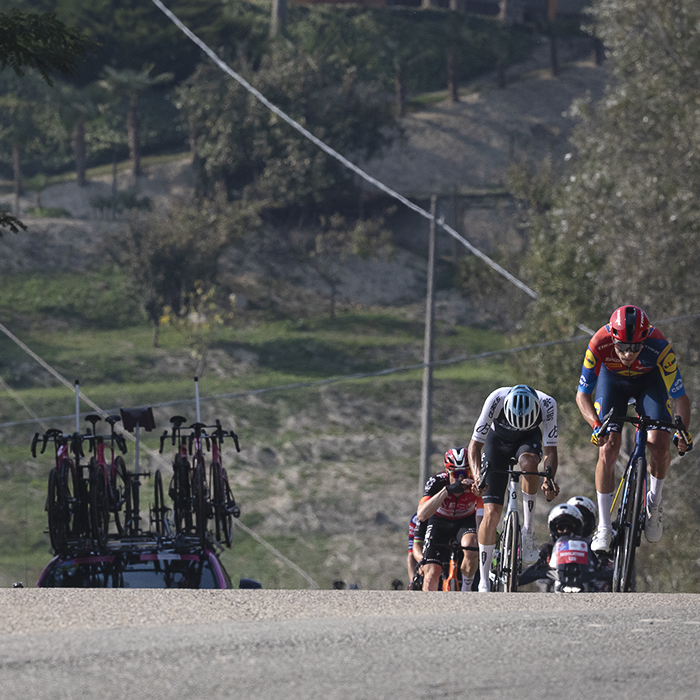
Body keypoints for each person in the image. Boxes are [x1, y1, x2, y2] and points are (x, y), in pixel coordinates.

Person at [575, 305, 692, 553]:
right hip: (612, 383)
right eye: (623, 347)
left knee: (659, 443)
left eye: (636, 347)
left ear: (645, 339)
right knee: (608, 448)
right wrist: (596, 425)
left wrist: (682, 431)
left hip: (649, 383)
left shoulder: (659, 345)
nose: (629, 354)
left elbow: (680, 397)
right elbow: (582, 395)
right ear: (613, 339)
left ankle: (654, 503)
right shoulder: (598, 342)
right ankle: (605, 526)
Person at [468, 384, 560, 592]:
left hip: (528, 442)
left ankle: (527, 530)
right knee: (492, 514)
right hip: (496, 442)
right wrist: (477, 478)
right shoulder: (496, 399)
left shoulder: (548, 404)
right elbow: (474, 446)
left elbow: (551, 451)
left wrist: (549, 480)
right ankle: (483, 580)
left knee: (529, 465)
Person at [417, 448, 482, 591]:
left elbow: (482, 515)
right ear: (447, 472)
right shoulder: (436, 481)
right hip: (440, 521)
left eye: (465, 473)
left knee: (471, 546)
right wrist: (446, 490)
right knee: (432, 572)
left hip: (465, 520)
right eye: (456, 474)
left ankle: (467, 588)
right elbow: (421, 514)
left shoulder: (475, 484)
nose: (460, 478)